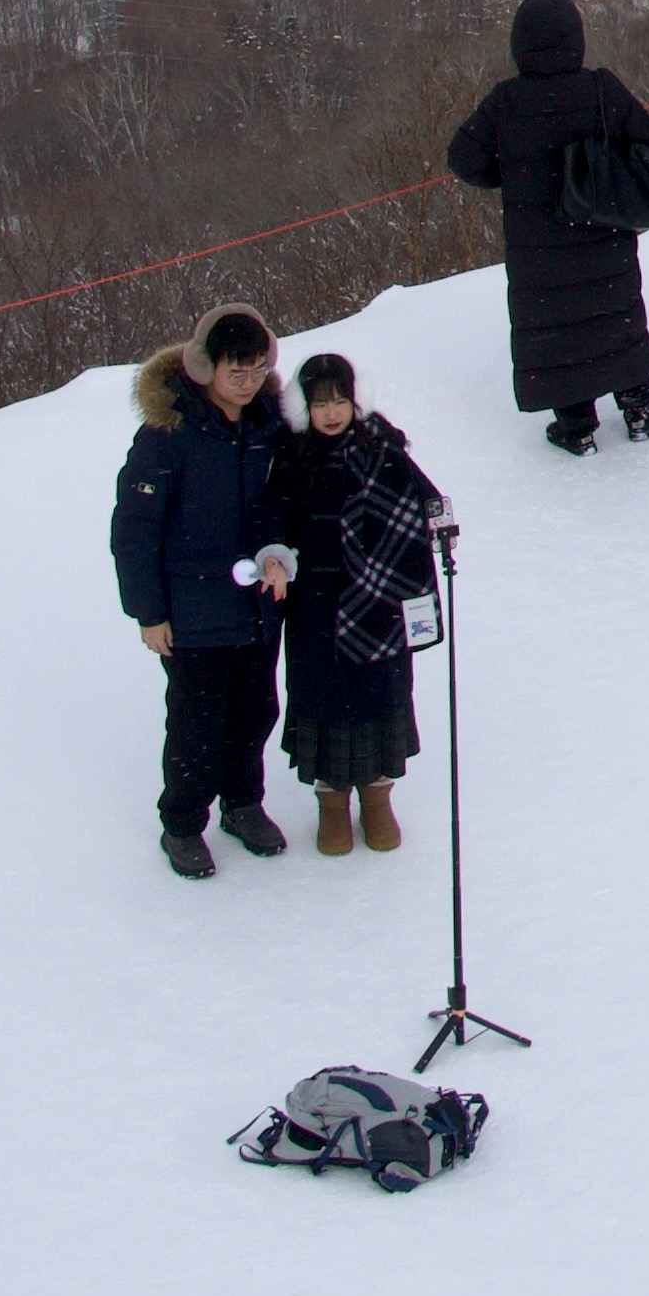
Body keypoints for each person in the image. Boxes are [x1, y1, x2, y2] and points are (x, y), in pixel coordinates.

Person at [444, 0, 649, 452]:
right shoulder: (601, 88)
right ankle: (638, 407)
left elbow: (462, 158)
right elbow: (647, 141)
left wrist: (507, 175)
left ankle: (577, 425)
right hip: (602, 232)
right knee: (615, 316)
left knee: (557, 332)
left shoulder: (505, 101)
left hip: (539, 249)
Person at [114, 307, 295, 875]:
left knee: (256, 710)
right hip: (192, 610)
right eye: (235, 371)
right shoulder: (168, 435)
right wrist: (149, 613)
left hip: (255, 607)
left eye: (256, 369)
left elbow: (276, 503)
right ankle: (182, 824)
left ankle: (242, 804)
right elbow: (134, 530)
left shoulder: (268, 424)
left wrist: (272, 554)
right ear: (206, 368)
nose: (247, 383)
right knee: (197, 721)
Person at [265, 354, 448, 854]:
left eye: (340, 401)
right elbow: (271, 519)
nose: (331, 413)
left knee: (380, 700)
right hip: (315, 608)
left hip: (382, 604)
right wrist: (274, 557)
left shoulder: (383, 449)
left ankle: (377, 800)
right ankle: (332, 806)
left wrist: (442, 527)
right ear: (304, 407)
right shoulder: (292, 457)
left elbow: (426, 499)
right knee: (324, 704)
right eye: (320, 403)